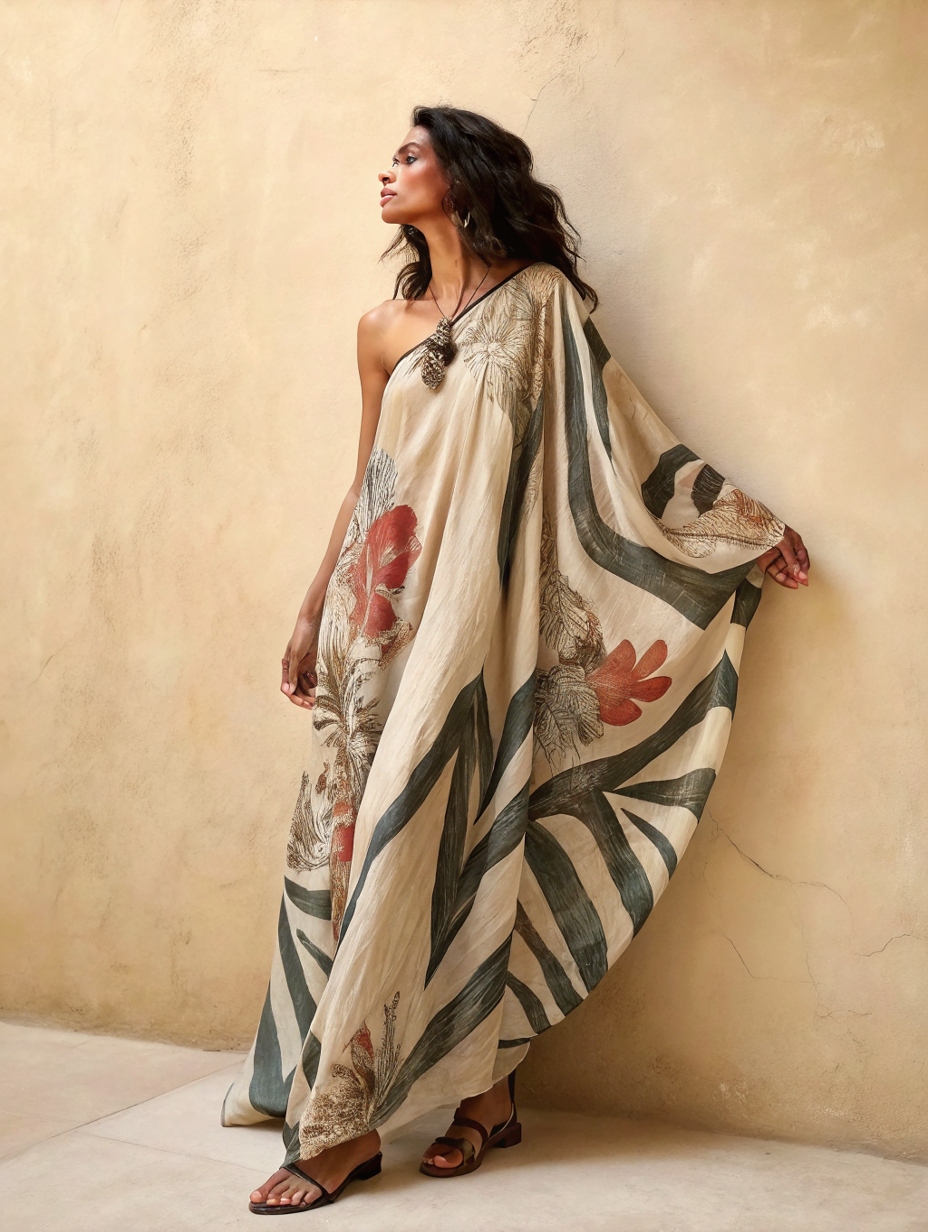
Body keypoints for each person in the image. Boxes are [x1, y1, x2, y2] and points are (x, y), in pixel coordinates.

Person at [222, 104, 810, 1215]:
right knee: (367, 845)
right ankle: (470, 1100)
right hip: (375, 621)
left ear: (462, 171)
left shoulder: (540, 304)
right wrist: (310, 614)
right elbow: (368, 481)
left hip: (478, 624)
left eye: (408, 154)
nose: (387, 170)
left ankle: (354, 1125)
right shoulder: (380, 329)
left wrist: (740, 525)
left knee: (461, 826)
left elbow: (624, 441)